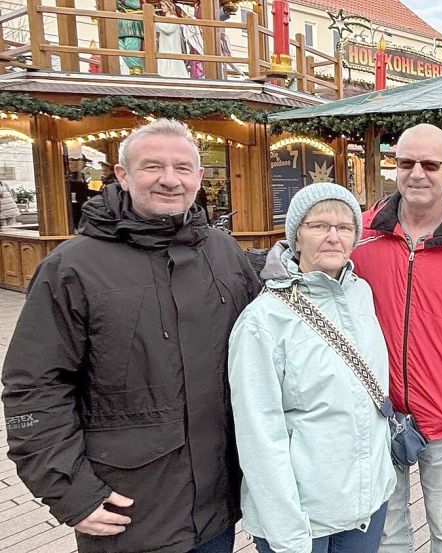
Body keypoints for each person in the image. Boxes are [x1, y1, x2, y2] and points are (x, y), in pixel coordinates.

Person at [1, 119, 261, 553]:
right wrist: (72, 493)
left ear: (199, 177)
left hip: (217, 507)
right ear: (122, 175)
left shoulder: (223, 254)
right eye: (152, 166)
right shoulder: (73, 267)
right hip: (128, 512)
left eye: (183, 167)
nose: (169, 179)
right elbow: (34, 389)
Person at [349, 123, 442, 553]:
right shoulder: (360, 234)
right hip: (376, 411)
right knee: (388, 530)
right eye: (406, 163)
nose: (417, 173)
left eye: (430, 164)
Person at [229, 183, 395, 553]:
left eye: (345, 227)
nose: (333, 237)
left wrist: (381, 484)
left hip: (367, 505)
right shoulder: (264, 319)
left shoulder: (361, 294)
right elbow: (260, 435)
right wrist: (287, 533)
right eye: (319, 226)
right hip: (305, 519)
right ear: (296, 236)